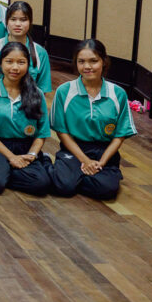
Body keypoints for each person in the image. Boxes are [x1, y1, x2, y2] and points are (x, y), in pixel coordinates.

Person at [50, 39, 136, 199]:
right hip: (74, 149)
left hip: (104, 151)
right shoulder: (64, 91)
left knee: (107, 190)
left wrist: (102, 162)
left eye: (93, 61)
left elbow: (120, 135)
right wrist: (85, 160)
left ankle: (73, 175)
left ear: (104, 62)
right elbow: (62, 132)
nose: (87, 66)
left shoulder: (118, 93)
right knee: (64, 187)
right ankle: (70, 175)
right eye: (81, 61)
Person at [0, 42, 52, 196]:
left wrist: (32, 155)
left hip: (25, 147)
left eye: (21, 62)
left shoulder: (37, 93)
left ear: (28, 65)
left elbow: (42, 133)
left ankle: (5, 171)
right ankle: (2, 171)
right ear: (0, 63)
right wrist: (11, 157)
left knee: (42, 184)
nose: (15, 67)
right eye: (9, 61)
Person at [0, 1, 52, 92]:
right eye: (13, 19)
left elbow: (42, 89)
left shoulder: (40, 53)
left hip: (28, 99)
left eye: (23, 20)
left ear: (30, 22)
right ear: (7, 21)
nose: (18, 24)